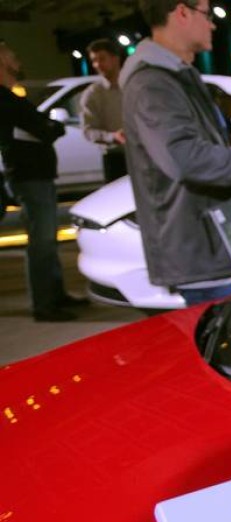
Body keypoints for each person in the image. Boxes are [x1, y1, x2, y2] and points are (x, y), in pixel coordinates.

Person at [122, 0, 231, 306]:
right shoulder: (153, 82)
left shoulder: (174, 75)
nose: (213, 24)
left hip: (213, 246)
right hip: (200, 252)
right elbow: (187, 159)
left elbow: (197, 145)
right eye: (207, 14)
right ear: (182, 12)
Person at [0, 42, 87, 322]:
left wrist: (49, 128)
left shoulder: (11, 98)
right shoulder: (5, 100)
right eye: (11, 54)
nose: (17, 58)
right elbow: (44, 129)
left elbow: (44, 128)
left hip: (35, 176)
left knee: (47, 240)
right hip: (29, 177)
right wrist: (50, 128)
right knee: (41, 242)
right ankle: (44, 304)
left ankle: (54, 295)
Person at [80, 38, 128, 181]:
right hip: (116, 158)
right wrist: (112, 137)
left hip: (145, 154)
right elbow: (88, 130)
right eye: (94, 60)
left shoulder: (134, 84)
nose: (97, 65)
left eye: (102, 59)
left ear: (115, 59)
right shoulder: (93, 94)